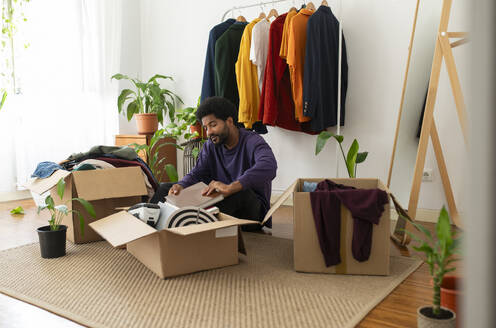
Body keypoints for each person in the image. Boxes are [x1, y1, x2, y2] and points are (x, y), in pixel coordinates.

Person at [152, 96, 277, 230]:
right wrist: (181, 185)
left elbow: (269, 166)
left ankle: (196, 228)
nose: (209, 132)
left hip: (251, 210)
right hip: (219, 201)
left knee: (240, 193)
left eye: (213, 125)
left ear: (229, 121)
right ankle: (152, 227)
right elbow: (198, 173)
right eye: (206, 128)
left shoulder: (253, 141)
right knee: (165, 188)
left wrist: (231, 187)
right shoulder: (210, 145)